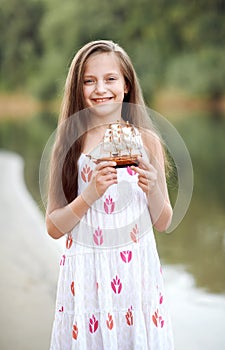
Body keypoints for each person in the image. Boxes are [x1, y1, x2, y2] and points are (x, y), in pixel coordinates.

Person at [46, 40, 174, 349]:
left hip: (135, 275)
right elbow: (53, 227)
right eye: (89, 81)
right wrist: (89, 195)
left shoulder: (147, 141)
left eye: (110, 79)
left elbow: (164, 221)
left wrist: (153, 185)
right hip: (87, 273)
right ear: (79, 88)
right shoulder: (68, 144)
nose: (100, 88)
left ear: (127, 85)